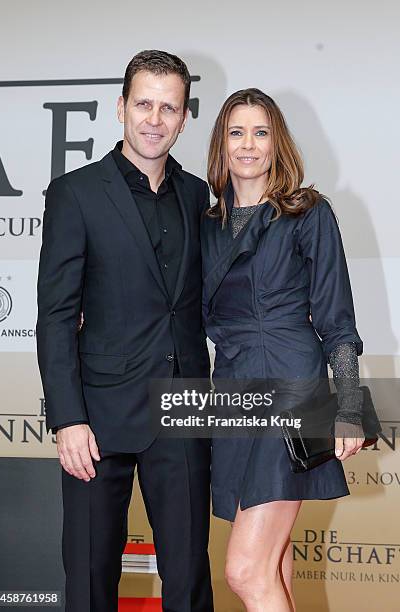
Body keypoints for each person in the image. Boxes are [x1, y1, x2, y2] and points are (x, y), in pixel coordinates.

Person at [36, 50, 213, 612]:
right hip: (98, 419)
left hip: (183, 410)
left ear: (185, 117)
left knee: (188, 581)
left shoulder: (196, 195)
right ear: (120, 108)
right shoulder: (75, 193)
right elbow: (57, 316)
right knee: (89, 581)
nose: (154, 118)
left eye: (169, 107)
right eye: (144, 103)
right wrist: (67, 418)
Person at [201, 88, 365, 611]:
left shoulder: (309, 213)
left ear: (278, 143)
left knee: (246, 572)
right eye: (236, 132)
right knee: (274, 563)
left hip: (295, 389)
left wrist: (349, 408)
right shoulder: (206, 224)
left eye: (261, 132)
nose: (248, 144)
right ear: (221, 143)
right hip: (232, 393)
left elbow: (337, 320)